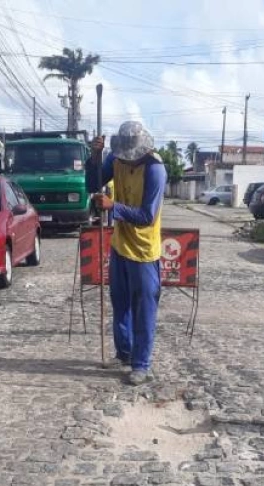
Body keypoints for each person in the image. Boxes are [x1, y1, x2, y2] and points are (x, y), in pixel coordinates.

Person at [88, 121, 167, 385]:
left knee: (143, 309)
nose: (127, 160)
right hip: (120, 244)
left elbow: (146, 216)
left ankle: (141, 364)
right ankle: (123, 353)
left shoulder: (155, 169)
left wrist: (113, 207)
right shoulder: (116, 158)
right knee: (119, 302)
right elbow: (93, 182)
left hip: (144, 251)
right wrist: (95, 157)